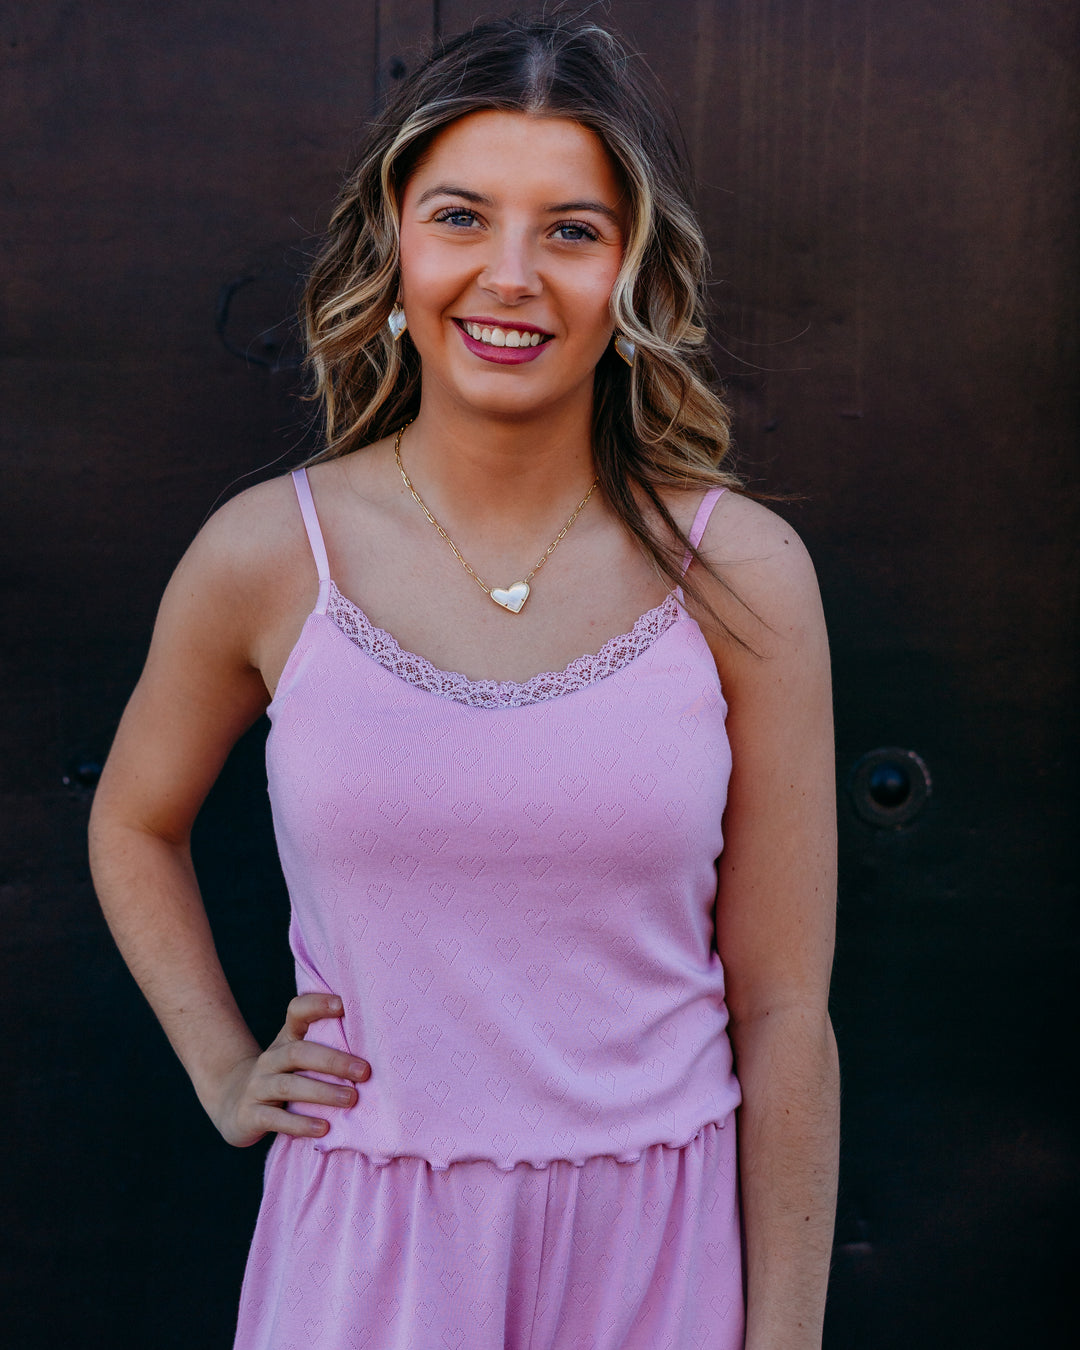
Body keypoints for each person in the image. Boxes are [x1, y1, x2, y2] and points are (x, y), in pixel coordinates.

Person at [89, 16, 839, 1350]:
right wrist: (223, 1064)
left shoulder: (744, 574)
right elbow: (133, 821)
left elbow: (784, 1012)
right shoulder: (269, 555)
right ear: (393, 244)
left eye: (572, 230)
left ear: (632, 274)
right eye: (460, 216)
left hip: (656, 1258)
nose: (511, 276)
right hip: (367, 1257)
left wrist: (785, 1336)